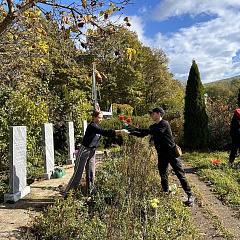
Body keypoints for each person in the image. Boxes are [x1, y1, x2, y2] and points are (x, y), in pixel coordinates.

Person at [127, 107, 195, 205]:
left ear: (159, 114)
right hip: (161, 154)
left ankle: (190, 195)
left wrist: (136, 128)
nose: (151, 115)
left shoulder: (164, 124)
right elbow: (143, 134)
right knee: (163, 174)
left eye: (153, 114)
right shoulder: (154, 126)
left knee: (180, 174)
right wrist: (131, 132)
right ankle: (165, 193)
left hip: (171, 153)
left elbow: (152, 131)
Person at [63, 110, 129, 198]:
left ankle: (90, 194)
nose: (100, 120)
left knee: (91, 173)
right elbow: (106, 132)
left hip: (92, 152)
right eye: (99, 118)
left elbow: (107, 134)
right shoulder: (92, 126)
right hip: (84, 151)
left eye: (101, 118)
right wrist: (121, 131)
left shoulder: (97, 126)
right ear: (94, 118)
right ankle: (67, 196)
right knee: (78, 175)